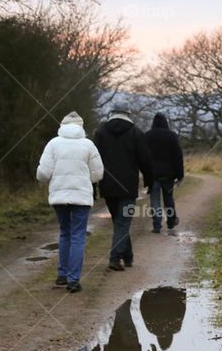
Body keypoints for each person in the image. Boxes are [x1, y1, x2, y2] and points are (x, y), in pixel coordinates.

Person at [36, 111, 104, 293]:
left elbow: (43, 174)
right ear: (81, 127)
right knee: (78, 236)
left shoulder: (53, 144)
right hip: (81, 197)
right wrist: (84, 179)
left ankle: (62, 274)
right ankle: (73, 280)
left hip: (59, 196)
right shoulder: (88, 145)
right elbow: (98, 174)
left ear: (62, 125)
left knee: (65, 232)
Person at [93, 103, 152, 271]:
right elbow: (145, 160)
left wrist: (94, 183)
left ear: (112, 113)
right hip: (128, 185)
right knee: (123, 222)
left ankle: (128, 256)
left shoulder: (100, 132)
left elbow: (94, 159)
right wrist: (149, 181)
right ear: (128, 113)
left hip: (107, 184)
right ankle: (115, 258)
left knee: (119, 222)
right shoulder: (136, 132)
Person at [145, 112, 185, 234]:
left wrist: (144, 172)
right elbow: (178, 156)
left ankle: (157, 224)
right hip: (168, 175)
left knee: (155, 199)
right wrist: (180, 175)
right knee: (168, 198)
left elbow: (143, 156)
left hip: (153, 175)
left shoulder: (147, 136)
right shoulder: (172, 136)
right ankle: (171, 221)